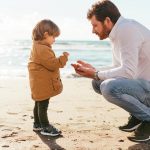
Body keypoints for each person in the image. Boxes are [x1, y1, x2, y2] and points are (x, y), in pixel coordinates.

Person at [72, 0, 150, 142]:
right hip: (143, 85)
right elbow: (119, 68)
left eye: (95, 25)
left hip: (147, 86)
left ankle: (147, 118)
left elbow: (127, 72)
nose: (92, 30)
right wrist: (95, 71)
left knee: (108, 87)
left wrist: (96, 74)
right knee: (97, 83)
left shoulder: (127, 29)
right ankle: (139, 115)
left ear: (107, 21)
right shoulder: (117, 33)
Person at [28, 19, 69, 136]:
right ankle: (45, 126)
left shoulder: (37, 46)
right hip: (43, 83)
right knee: (43, 105)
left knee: (38, 102)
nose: (54, 40)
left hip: (38, 82)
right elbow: (53, 64)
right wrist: (63, 58)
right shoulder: (42, 49)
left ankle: (37, 124)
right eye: (54, 37)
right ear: (46, 35)